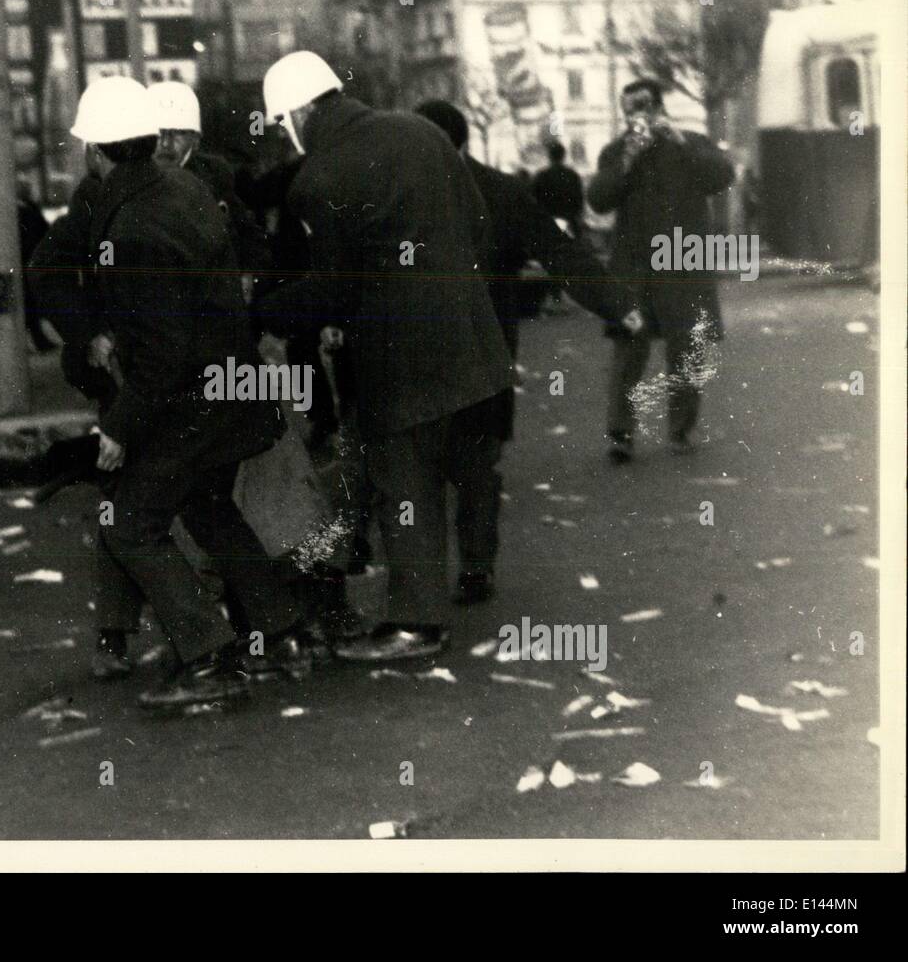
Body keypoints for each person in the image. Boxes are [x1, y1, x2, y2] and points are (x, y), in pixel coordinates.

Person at [256, 51, 514, 662]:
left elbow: (336, 286)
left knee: (407, 483)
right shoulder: (420, 131)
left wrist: (262, 313)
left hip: (401, 358)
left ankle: (416, 623)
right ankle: (443, 589)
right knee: (457, 473)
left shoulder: (319, 179)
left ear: (296, 112)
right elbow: (478, 226)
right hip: (473, 342)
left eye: (281, 122)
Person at [69, 76, 308, 709]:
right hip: (231, 390)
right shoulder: (185, 188)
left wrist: (119, 427)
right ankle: (281, 631)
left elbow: (161, 354)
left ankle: (209, 658)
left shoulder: (134, 226)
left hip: (189, 404)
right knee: (207, 506)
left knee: (130, 524)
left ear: (94, 150)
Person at [415, 100, 645, 604]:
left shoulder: (406, 193)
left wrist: (616, 304)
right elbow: (561, 253)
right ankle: (474, 569)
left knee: (425, 468)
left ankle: (433, 578)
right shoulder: (502, 192)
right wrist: (614, 304)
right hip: (486, 352)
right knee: (476, 467)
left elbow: (562, 253)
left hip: (426, 355)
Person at [587, 79, 736, 461]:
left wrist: (680, 143)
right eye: (629, 110)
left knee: (687, 346)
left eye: (643, 107)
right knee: (629, 347)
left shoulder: (690, 141)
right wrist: (626, 162)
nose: (636, 117)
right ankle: (621, 434)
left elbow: (721, 177)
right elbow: (599, 199)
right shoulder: (617, 151)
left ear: (659, 108)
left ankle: (681, 431)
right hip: (635, 264)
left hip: (682, 260)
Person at [148, 80, 268, 277]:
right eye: (158, 133)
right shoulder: (131, 181)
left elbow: (249, 235)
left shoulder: (215, 175)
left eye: (178, 132)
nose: (166, 143)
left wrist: (249, 273)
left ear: (196, 140)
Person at [533, 141, 586, 242]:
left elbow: (534, 201)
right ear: (563, 156)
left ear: (549, 156)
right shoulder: (572, 175)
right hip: (569, 222)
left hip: (547, 223)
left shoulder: (541, 176)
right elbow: (579, 200)